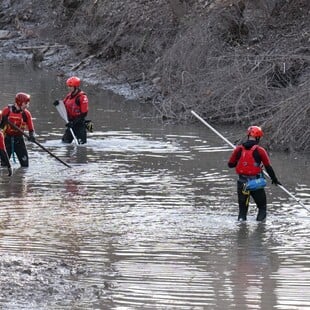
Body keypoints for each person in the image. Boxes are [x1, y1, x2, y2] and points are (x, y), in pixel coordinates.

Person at [227, 126, 281, 222]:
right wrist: (274, 179)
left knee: (242, 212)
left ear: (248, 136)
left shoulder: (239, 149)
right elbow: (268, 167)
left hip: (242, 183)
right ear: (258, 137)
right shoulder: (260, 150)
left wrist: (239, 160)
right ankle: (260, 231)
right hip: (256, 183)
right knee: (262, 208)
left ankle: (241, 231)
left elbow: (230, 165)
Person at [0, 92, 36, 168]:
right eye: (25, 103)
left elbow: (31, 129)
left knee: (25, 166)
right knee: (3, 166)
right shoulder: (6, 111)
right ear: (19, 103)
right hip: (7, 140)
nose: (27, 105)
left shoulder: (26, 114)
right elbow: (1, 128)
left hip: (19, 140)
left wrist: (32, 136)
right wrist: (3, 121)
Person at [54, 76, 89, 144]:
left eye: (70, 86)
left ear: (76, 86)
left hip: (79, 124)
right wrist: (58, 103)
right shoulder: (69, 96)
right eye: (68, 86)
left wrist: (73, 123)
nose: (69, 88)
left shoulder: (82, 97)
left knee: (81, 145)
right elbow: (63, 105)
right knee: (64, 142)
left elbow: (84, 113)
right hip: (71, 123)